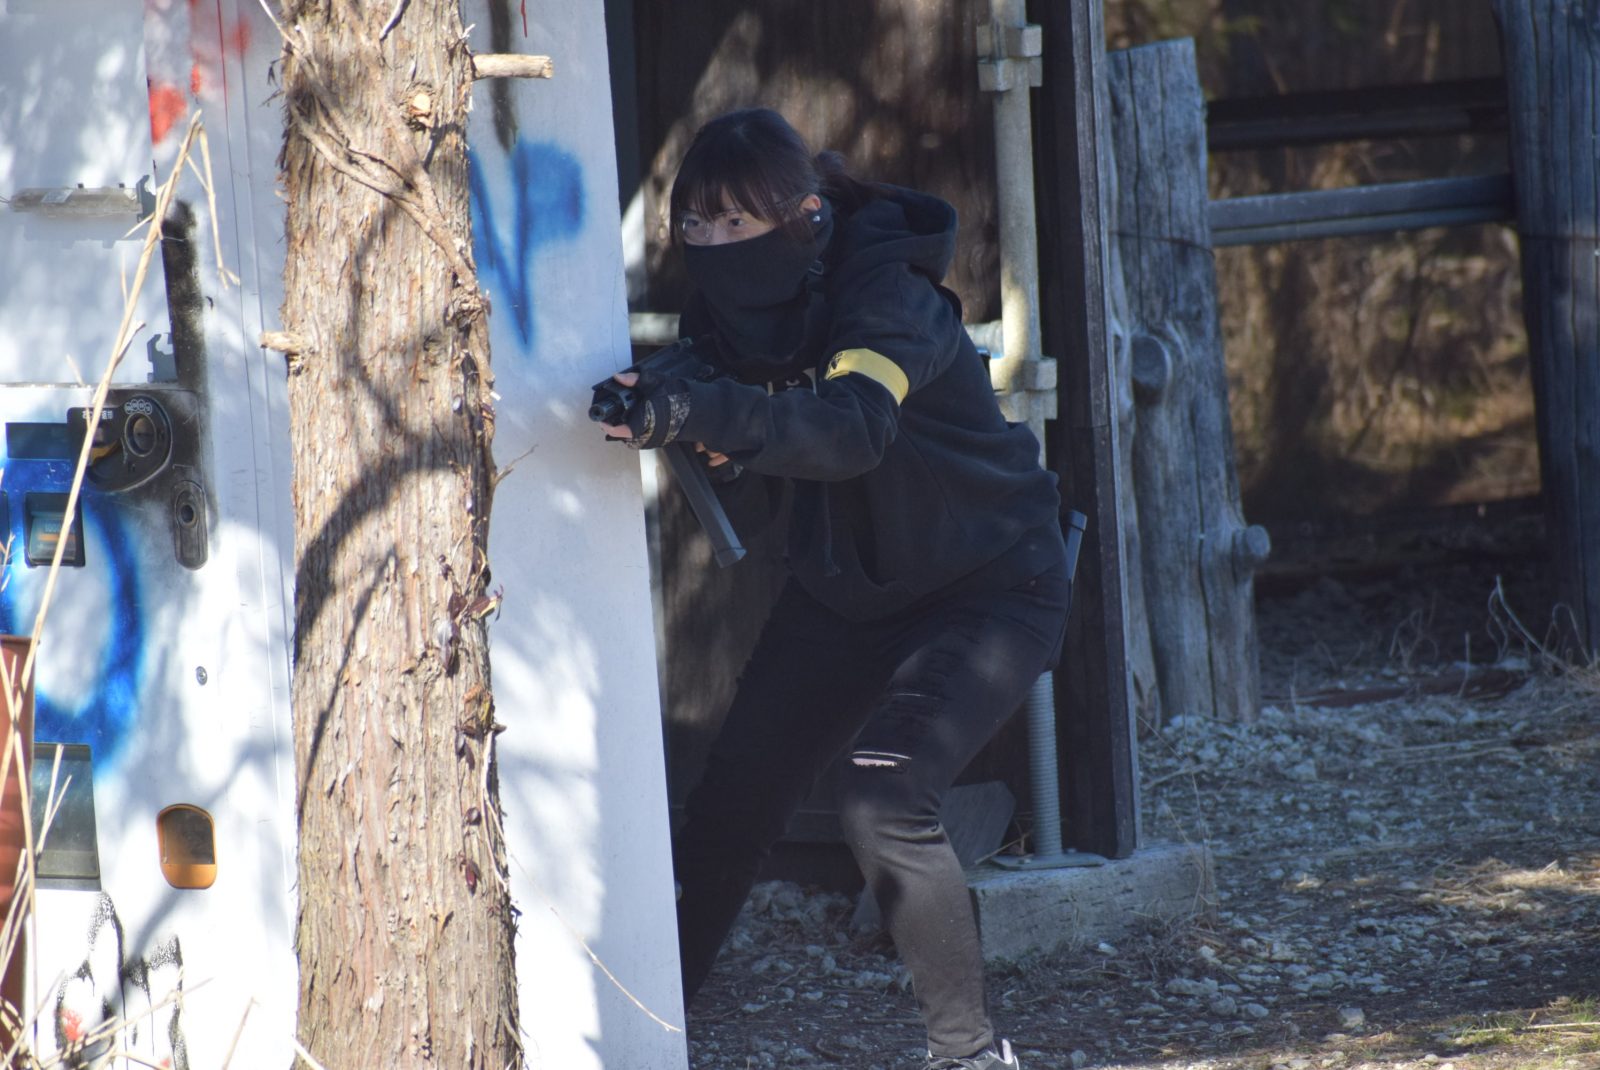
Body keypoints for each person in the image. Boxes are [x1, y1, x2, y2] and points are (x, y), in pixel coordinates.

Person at [596, 108, 1071, 1070]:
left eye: (739, 221)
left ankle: (970, 1056)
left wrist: (710, 410)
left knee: (884, 795)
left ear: (808, 215)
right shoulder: (717, 326)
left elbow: (852, 429)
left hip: (989, 580)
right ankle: (640, 1040)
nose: (716, 244)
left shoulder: (887, 293)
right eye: (697, 225)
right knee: (729, 808)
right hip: (848, 592)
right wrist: (698, 428)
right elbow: (762, 495)